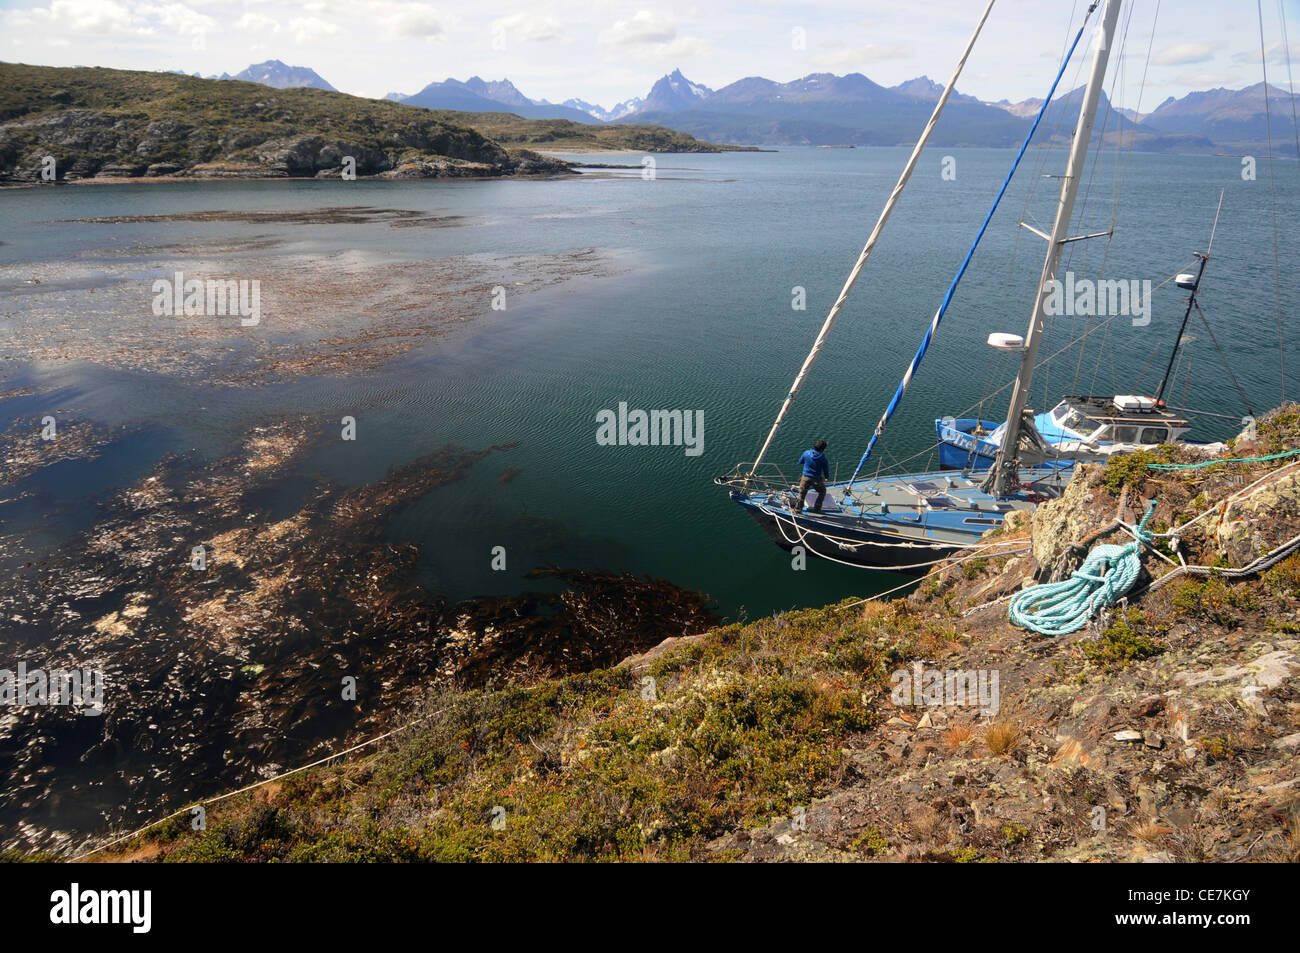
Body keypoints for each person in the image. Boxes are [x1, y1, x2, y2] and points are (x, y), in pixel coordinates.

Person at [795, 439, 830, 514]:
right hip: (816, 479)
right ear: (823, 449)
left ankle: (798, 509)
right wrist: (827, 477)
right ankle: (817, 509)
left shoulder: (806, 453)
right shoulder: (823, 458)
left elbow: (800, 461)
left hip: (805, 477)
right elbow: (825, 469)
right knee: (822, 492)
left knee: (802, 493)